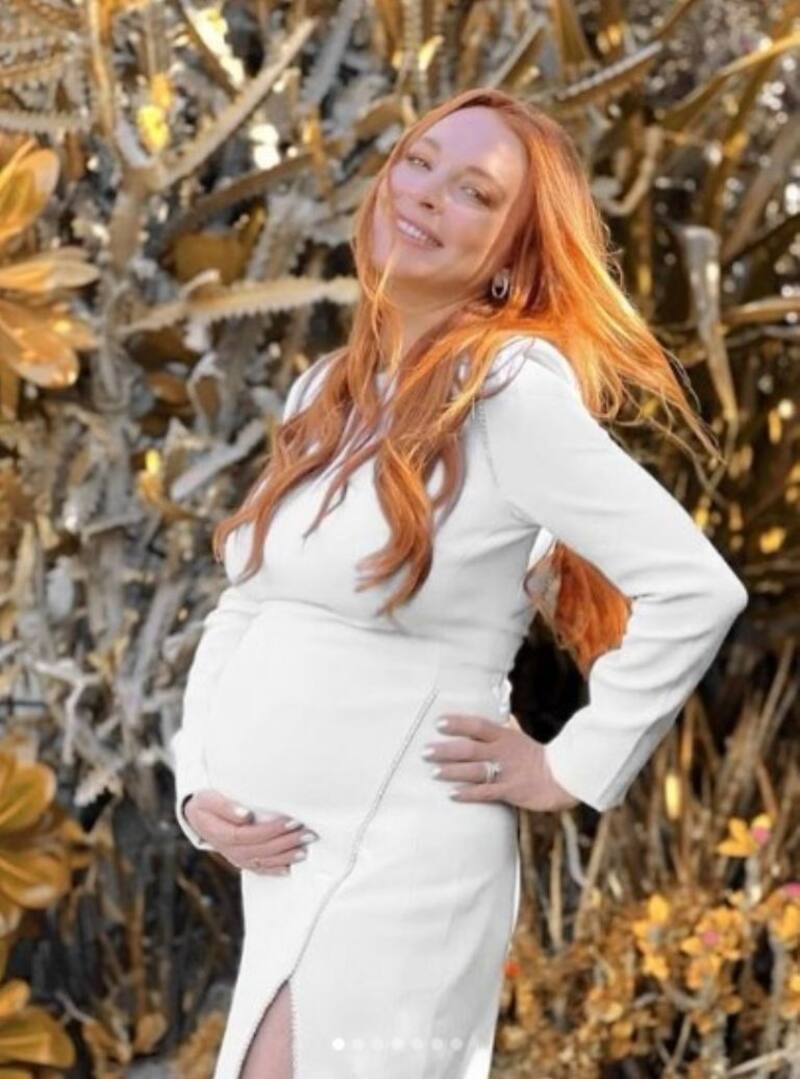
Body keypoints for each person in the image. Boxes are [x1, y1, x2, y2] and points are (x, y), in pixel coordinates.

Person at [169, 88, 748, 1079]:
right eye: (419, 163)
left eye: (475, 192)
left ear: (512, 256)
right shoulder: (328, 390)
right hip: (292, 866)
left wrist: (570, 764)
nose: (428, 194)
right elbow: (251, 602)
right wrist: (199, 786)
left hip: (402, 865)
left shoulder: (507, 392)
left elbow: (695, 586)